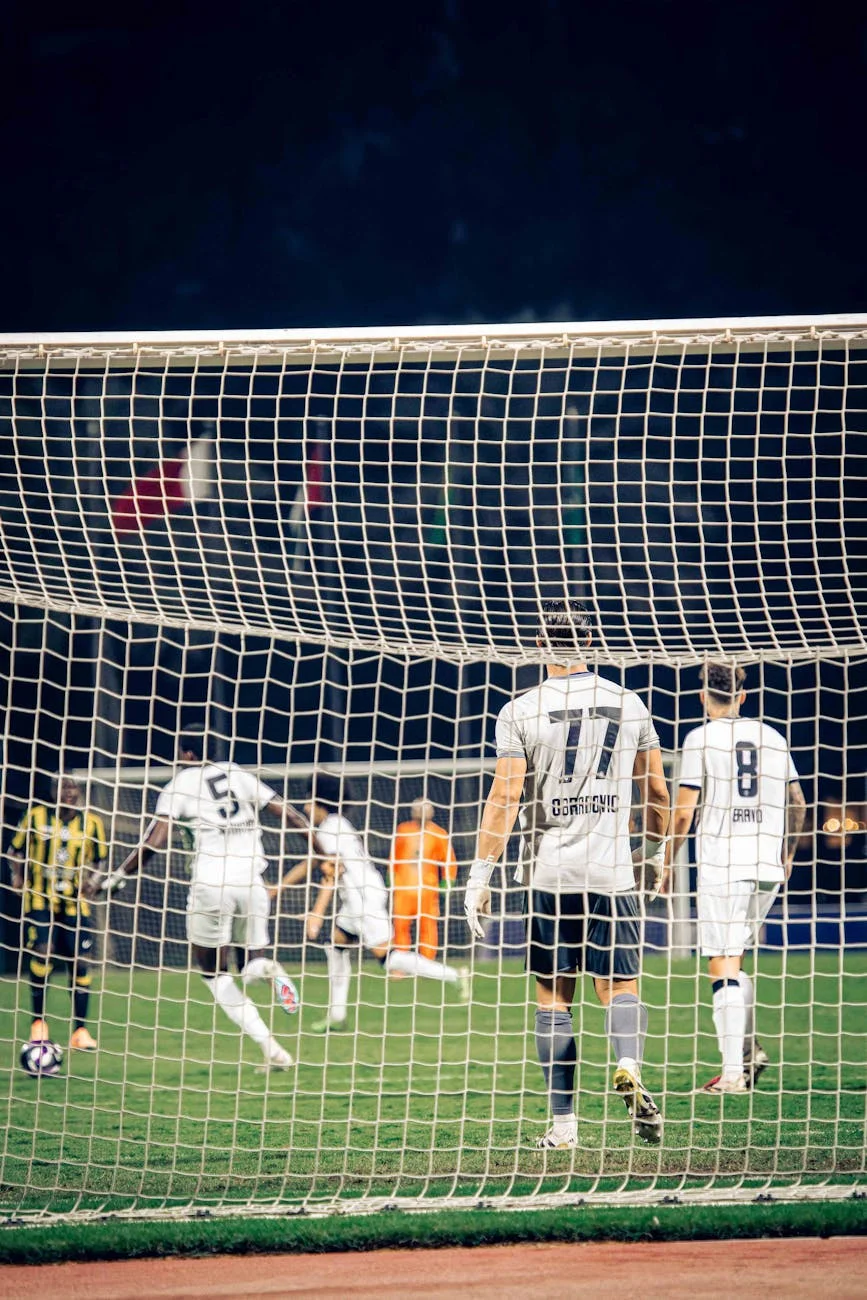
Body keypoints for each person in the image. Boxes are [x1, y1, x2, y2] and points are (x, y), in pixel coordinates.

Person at [463, 598, 671, 1149]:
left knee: (554, 997)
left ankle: (564, 1127)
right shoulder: (629, 703)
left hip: (553, 873)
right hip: (613, 872)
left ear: (541, 644)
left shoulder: (520, 709)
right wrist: (657, 851)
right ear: (591, 643)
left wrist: (479, 874)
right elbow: (655, 793)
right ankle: (628, 1064)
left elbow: (505, 795)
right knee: (620, 985)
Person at [86, 726, 305, 1071]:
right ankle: (267, 977)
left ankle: (271, 1047)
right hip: (252, 882)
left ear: (186, 754)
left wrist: (115, 878)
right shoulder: (238, 773)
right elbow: (290, 814)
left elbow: (153, 841)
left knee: (214, 974)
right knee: (250, 962)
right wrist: (324, 852)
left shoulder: (180, 785)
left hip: (211, 884)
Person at [666, 663, 807, 1094]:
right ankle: (749, 1052)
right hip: (766, 865)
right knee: (736, 959)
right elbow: (798, 801)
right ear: (743, 696)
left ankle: (732, 1077)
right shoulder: (773, 737)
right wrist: (787, 853)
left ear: (702, 696)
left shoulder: (700, 739)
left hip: (722, 865)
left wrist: (664, 862)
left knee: (721, 963)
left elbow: (684, 813)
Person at [274, 774, 469, 1033]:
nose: (306, 808)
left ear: (321, 803)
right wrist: (278, 887)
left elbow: (333, 870)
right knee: (336, 946)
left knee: (390, 960)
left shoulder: (331, 828)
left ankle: (455, 976)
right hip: (360, 896)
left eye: (309, 802)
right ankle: (337, 1016)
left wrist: (316, 913)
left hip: (363, 899)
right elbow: (312, 861)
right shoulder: (336, 825)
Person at [6, 774, 107, 1051]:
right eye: (63, 787)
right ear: (53, 792)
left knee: (80, 960)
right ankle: (38, 1024)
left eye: (73, 788)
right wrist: (16, 876)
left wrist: (94, 881)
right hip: (40, 899)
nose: (68, 792)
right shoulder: (35, 817)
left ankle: (80, 1031)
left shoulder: (92, 823)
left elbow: (100, 859)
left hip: (75, 903)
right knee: (43, 951)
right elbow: (14, 851)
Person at [390, 799, 458, 960]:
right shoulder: (403, 831)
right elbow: (394, 859)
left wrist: (447, 882)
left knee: (428, 928)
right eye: (418, 809)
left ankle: (427, 962)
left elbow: (449, 861)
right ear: (412, 812)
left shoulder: (439, 834)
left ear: (432, 812)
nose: (421, 813)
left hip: (427, 890)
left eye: (425, 809)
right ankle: (401, 964)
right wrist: (391, 880)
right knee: (400, 927)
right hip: (403, 890)